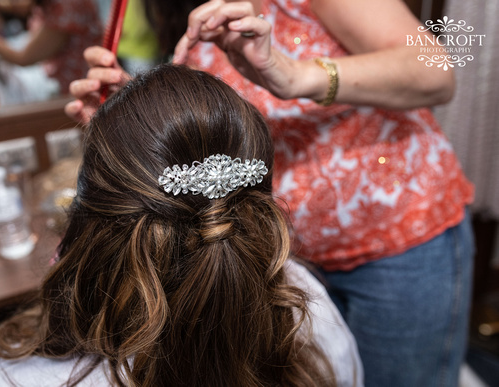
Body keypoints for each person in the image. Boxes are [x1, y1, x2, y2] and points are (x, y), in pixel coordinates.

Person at [65, 1, 475, 386]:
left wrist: (294, 74)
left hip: (400, 237)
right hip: (278, 257)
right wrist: (133, 125)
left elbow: (436, 70)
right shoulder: (175, 9)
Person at [0, 64, 363, 386]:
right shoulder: (309, 308)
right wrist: (138, 130)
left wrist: (133, 135)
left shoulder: (15, 381)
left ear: (90, 217)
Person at [0, 0, 102, 94]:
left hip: (80, 91)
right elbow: (18, 5)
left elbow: (23, 57)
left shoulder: (69, 4)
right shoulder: (46, 4)